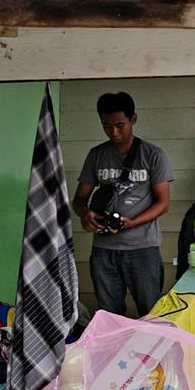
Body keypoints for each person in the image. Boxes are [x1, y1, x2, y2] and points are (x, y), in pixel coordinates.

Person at [73, 92, 173, 316]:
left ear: (133, 119)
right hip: (103, 251)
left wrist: (132, 223)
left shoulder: (152, 155)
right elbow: (79, 199)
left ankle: (150, 353)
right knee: (109, 315)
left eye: (120, 125)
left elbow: (163, 203)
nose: (114, 132)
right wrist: (85, 214)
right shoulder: (96, 155)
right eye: (107, 126)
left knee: (151, 312)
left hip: (143, 249)